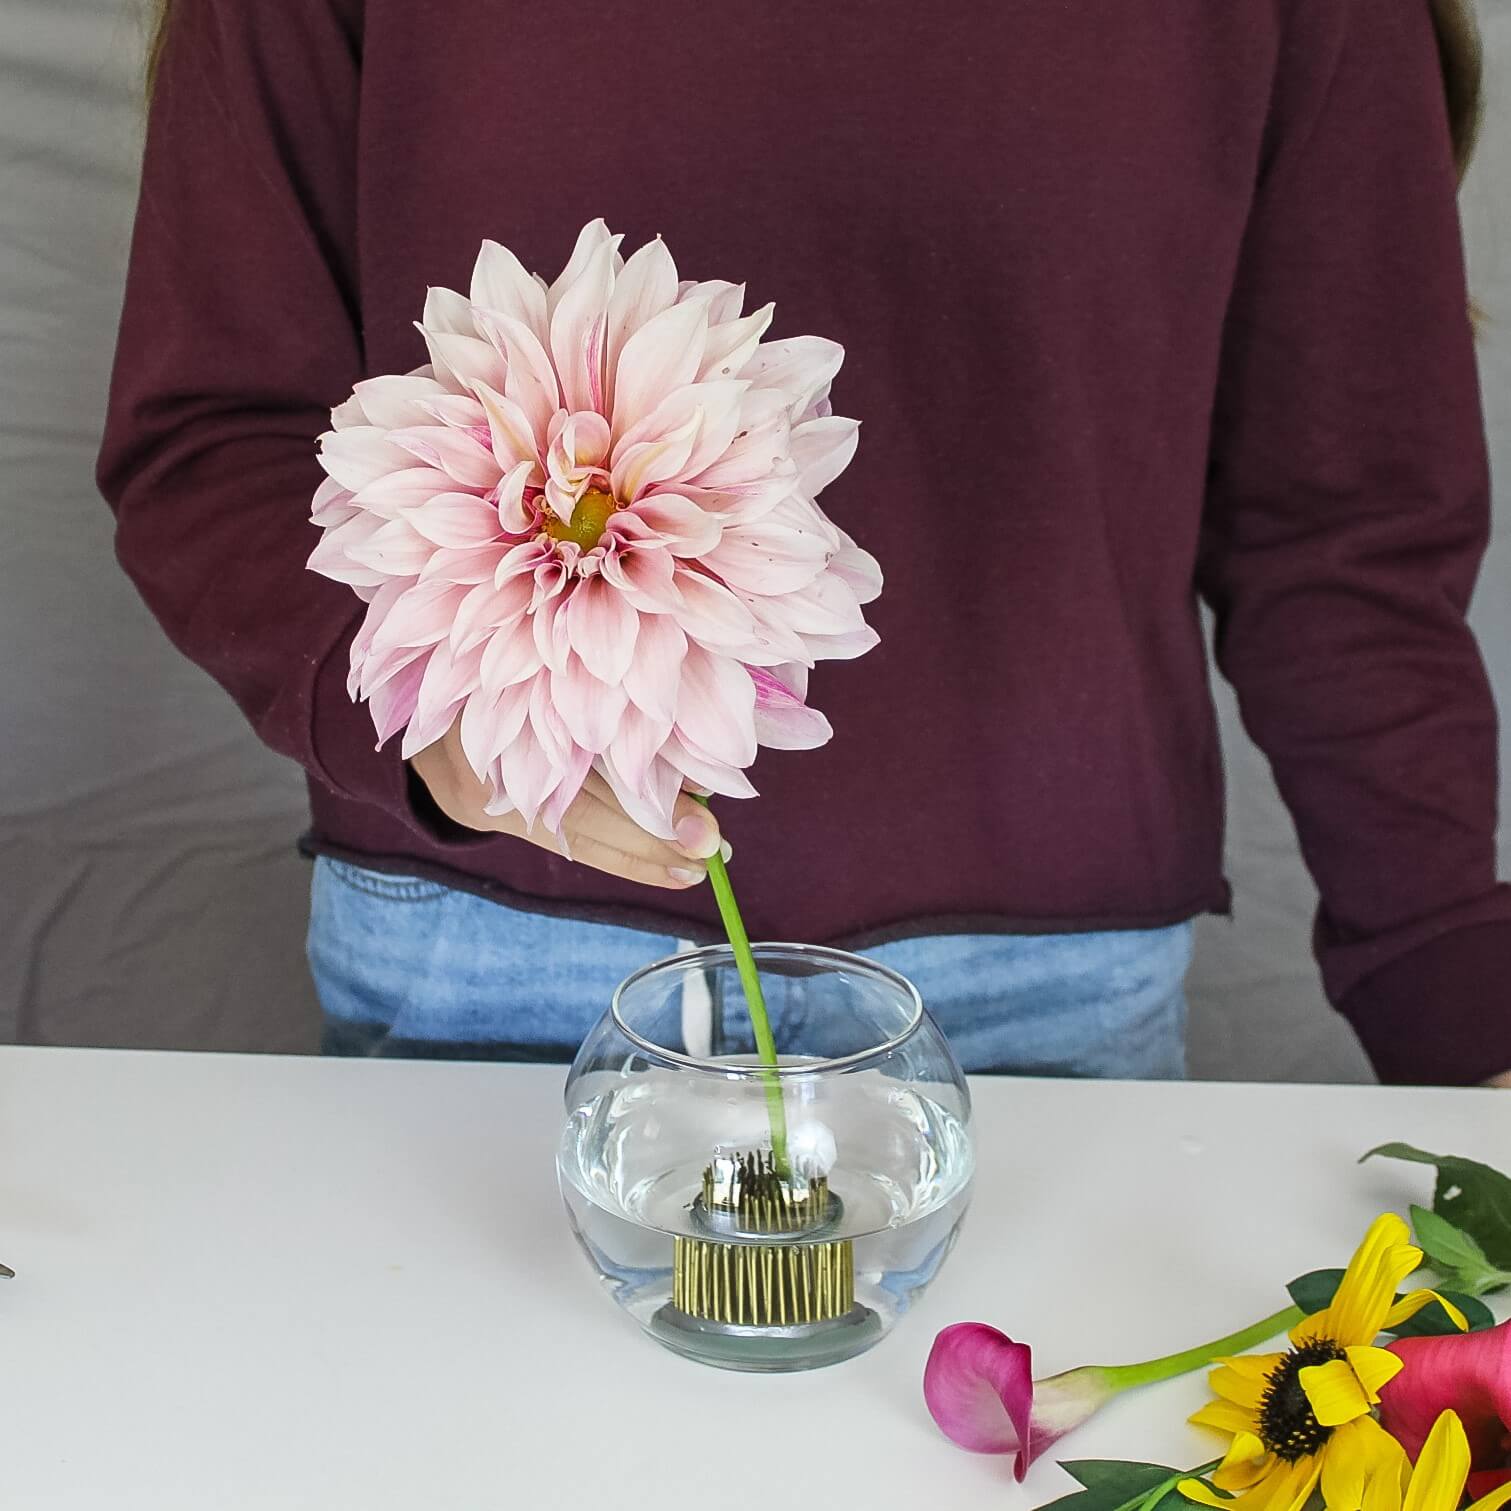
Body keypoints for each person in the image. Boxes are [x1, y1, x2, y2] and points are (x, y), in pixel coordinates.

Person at [99, 0, 1508, 1086]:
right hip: (487, 962)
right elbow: (213, 434)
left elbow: (1345, 529)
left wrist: (1458, 1001)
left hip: (1049, 998)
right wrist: (438, 731)